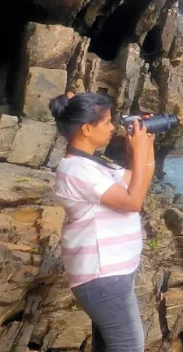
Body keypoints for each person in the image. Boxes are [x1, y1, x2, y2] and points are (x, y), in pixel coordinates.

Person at [49, 92, 154, 352]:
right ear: (86, 128)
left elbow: (137, 181)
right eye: (107, 122)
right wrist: (138, 152)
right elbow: (133, 202)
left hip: (112, 275)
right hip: (103, 277)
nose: (113, 128)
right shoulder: (76, 170)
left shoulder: (95, 164)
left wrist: (146, 143)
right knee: (129, 347)